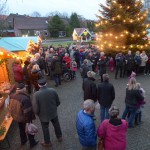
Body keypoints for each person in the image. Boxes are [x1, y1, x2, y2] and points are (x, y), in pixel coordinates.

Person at [32, 78, 62, 147]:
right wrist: (54, 108)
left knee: (45, 128)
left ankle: (47, 142)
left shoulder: (36, 94)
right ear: (46, 83)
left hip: (43, 115)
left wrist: (37, 113)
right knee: (56, 125)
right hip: (53, 113)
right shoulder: (53, 90)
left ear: (39, 85)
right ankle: (59, 137)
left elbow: (35, 108)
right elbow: (58, 102)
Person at [9, 83, 38, 148]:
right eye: (25, 87)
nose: (25, 88)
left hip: (17, 117)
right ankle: (32, 143)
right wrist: (29, 121)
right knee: (29, 130)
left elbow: (11, 107)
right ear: (22, 89)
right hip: (24, 118)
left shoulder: (13, 96)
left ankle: (23, 141)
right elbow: (27, 111)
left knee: (21, 130)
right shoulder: (25, 99)